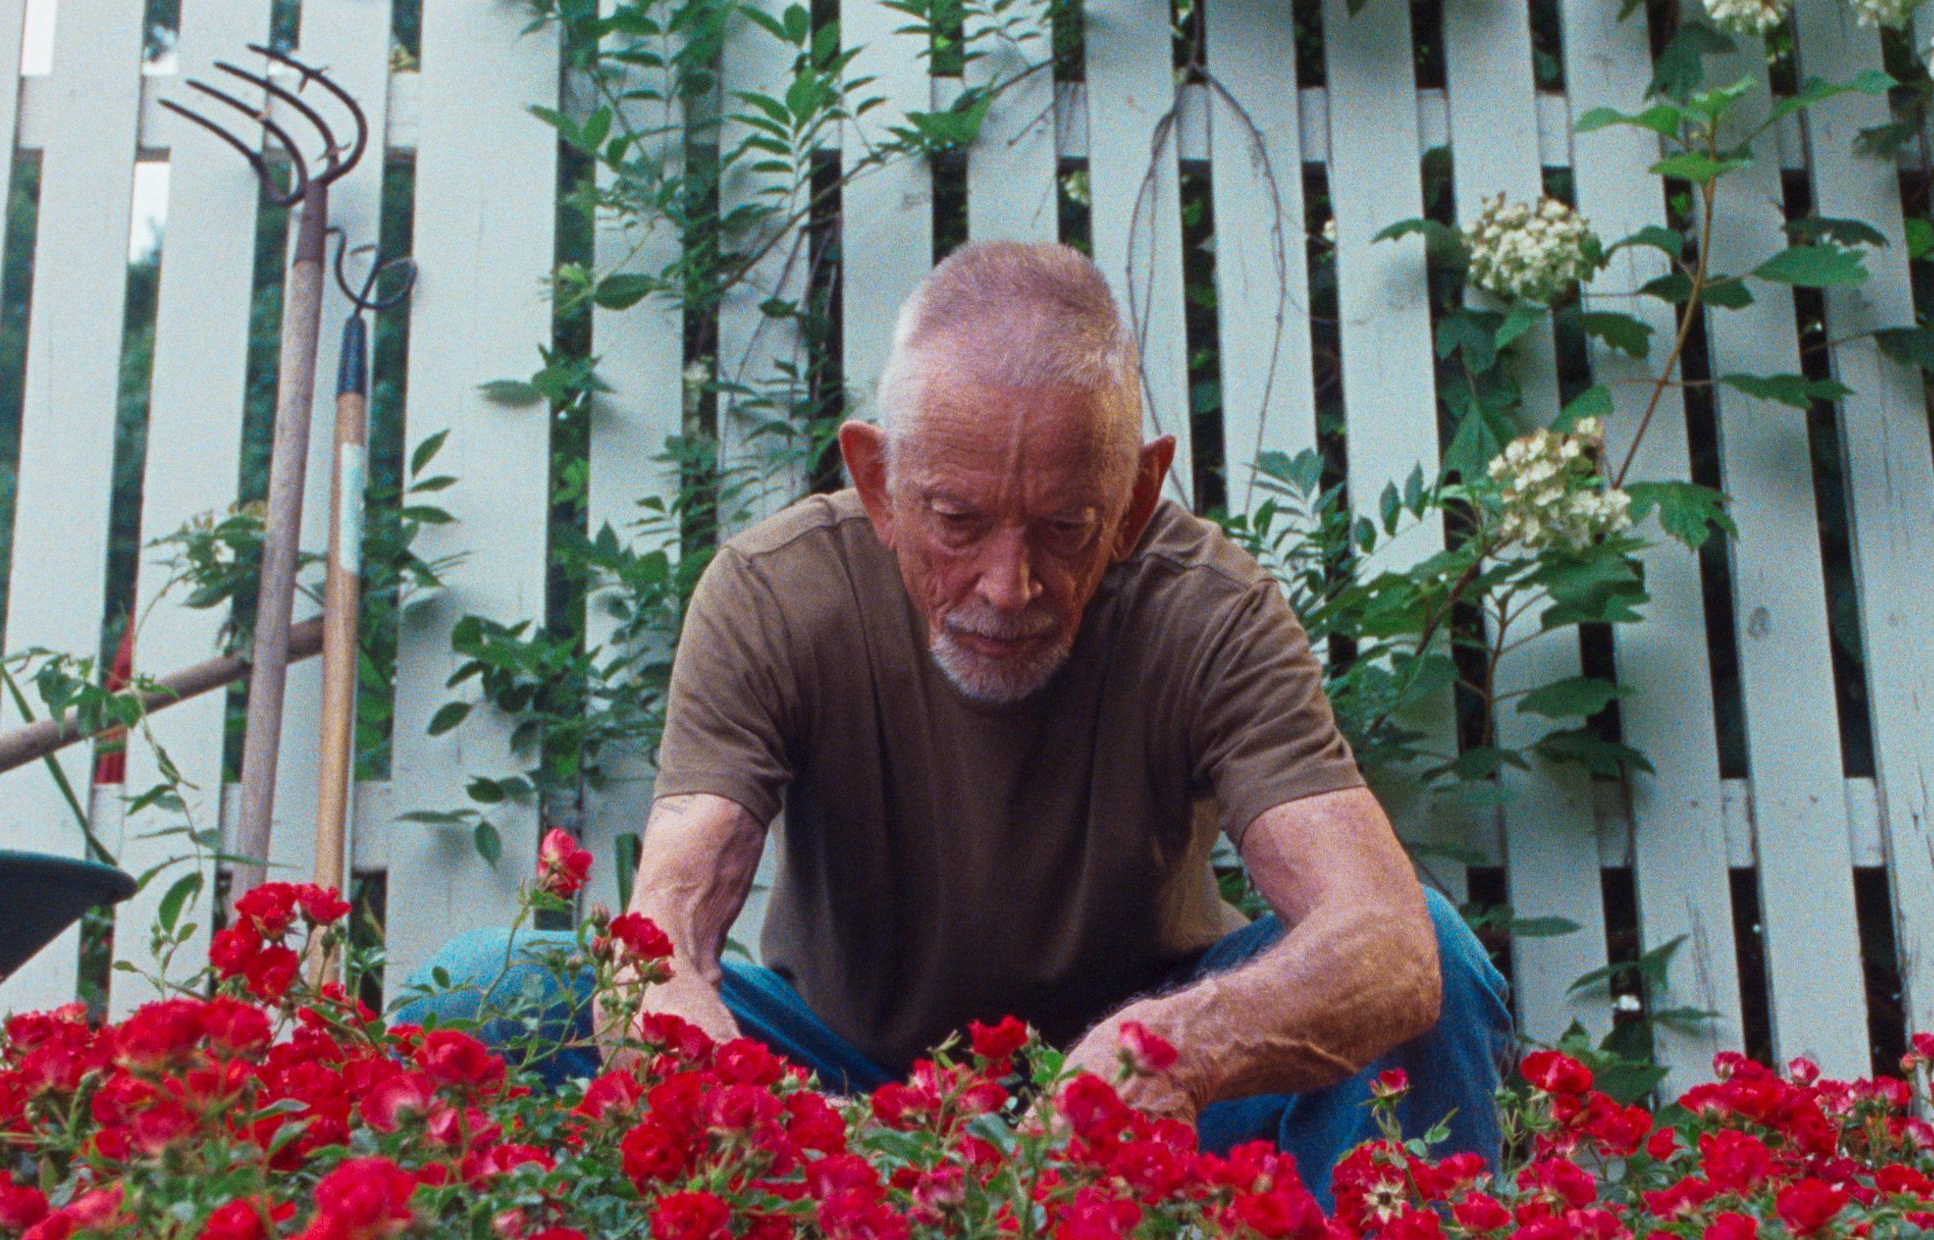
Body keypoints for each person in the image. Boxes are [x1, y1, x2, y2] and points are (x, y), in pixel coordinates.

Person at [400, 240, 1513, 1203]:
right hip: (833, 1081)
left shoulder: (1207, 607)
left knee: (1434, 966)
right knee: (488, 994)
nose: (1005, 584)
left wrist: (1164, 1053)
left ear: (1134, 497)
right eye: (954, 520)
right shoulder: (773, 591)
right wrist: (755, 1117)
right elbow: (665, 939)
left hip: (1161, 1106)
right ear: (877, 481)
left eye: (1065, 527)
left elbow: (1385, 944)